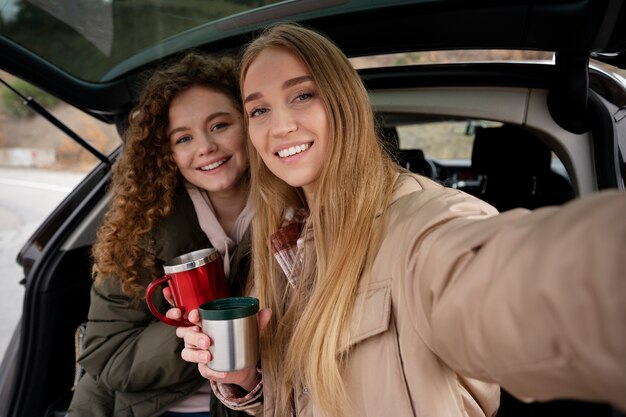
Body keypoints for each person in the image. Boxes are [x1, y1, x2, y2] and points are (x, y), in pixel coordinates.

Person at [175, 23, 626, 417]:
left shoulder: (424, 223)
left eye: (303, 95)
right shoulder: (282, 244)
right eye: (258, 110)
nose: (280, 126)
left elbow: (533, 284)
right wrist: (246, 378)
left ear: (344, 101)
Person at [67, 51, 252, 417]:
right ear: (165, 153)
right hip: (150, 408)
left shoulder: (301, 211)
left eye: (219, 125)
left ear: (249, 122)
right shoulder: (142, 226)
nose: (205, 147)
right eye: (183, 139)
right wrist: (191, 333)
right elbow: (106, 354)